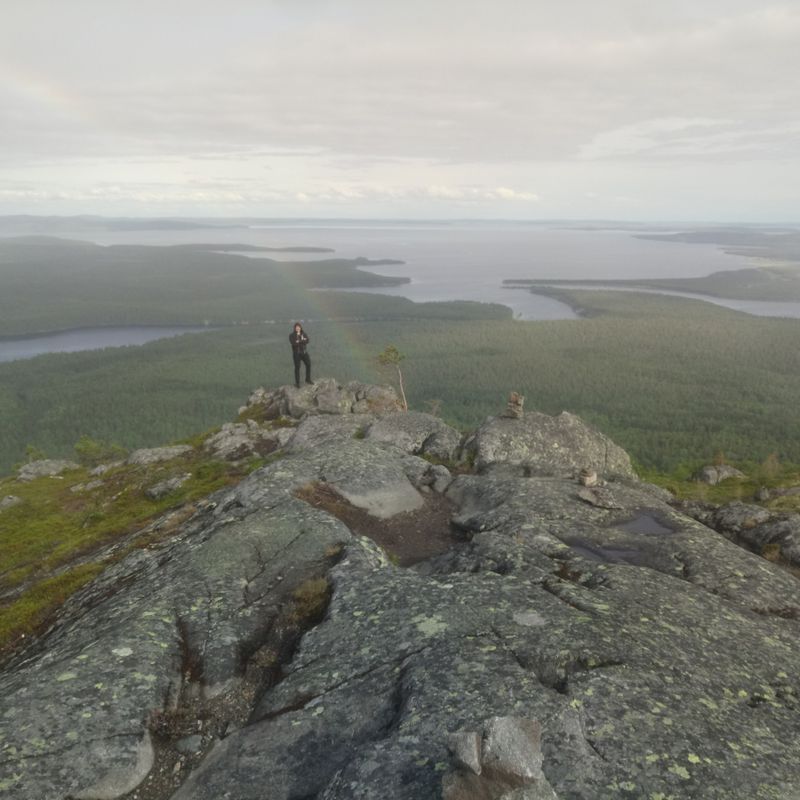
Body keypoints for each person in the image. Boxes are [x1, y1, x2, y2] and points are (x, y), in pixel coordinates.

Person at [289, 322, 313, 388]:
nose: (297, 328)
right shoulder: (291, 335)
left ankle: (308, 379)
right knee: (297, 368)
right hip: (296, 354)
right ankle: (297, 383)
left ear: (300, 327)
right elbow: (293, 343)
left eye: (298, 327)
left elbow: (307, 340)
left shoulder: (304, 334)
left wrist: (299, 341)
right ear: (294, 328)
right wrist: (302, 340)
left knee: (308, 364)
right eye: (296, 327)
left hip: (304, 353)